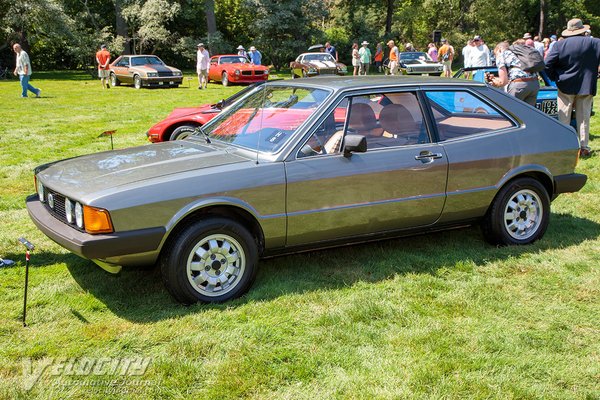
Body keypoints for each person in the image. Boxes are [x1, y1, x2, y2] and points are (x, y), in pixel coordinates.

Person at [545, 18, 600, 157]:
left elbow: (547, 64)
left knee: (563, 117)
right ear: (582, 30)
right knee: (584, 118)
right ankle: (584, 147)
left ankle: (564, 147)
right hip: (586, 85)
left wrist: (555, 77)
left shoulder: (559, 45)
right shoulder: (595, 43)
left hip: (565, 84)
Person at [490, 41, 540, 107]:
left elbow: (503, 82)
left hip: (519, 85)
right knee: (528, 113)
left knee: (511, 112)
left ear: (499, 49)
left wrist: (493, 82)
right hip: (534, 84)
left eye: (495, 54)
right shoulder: (518, 53)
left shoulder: (501, 54)